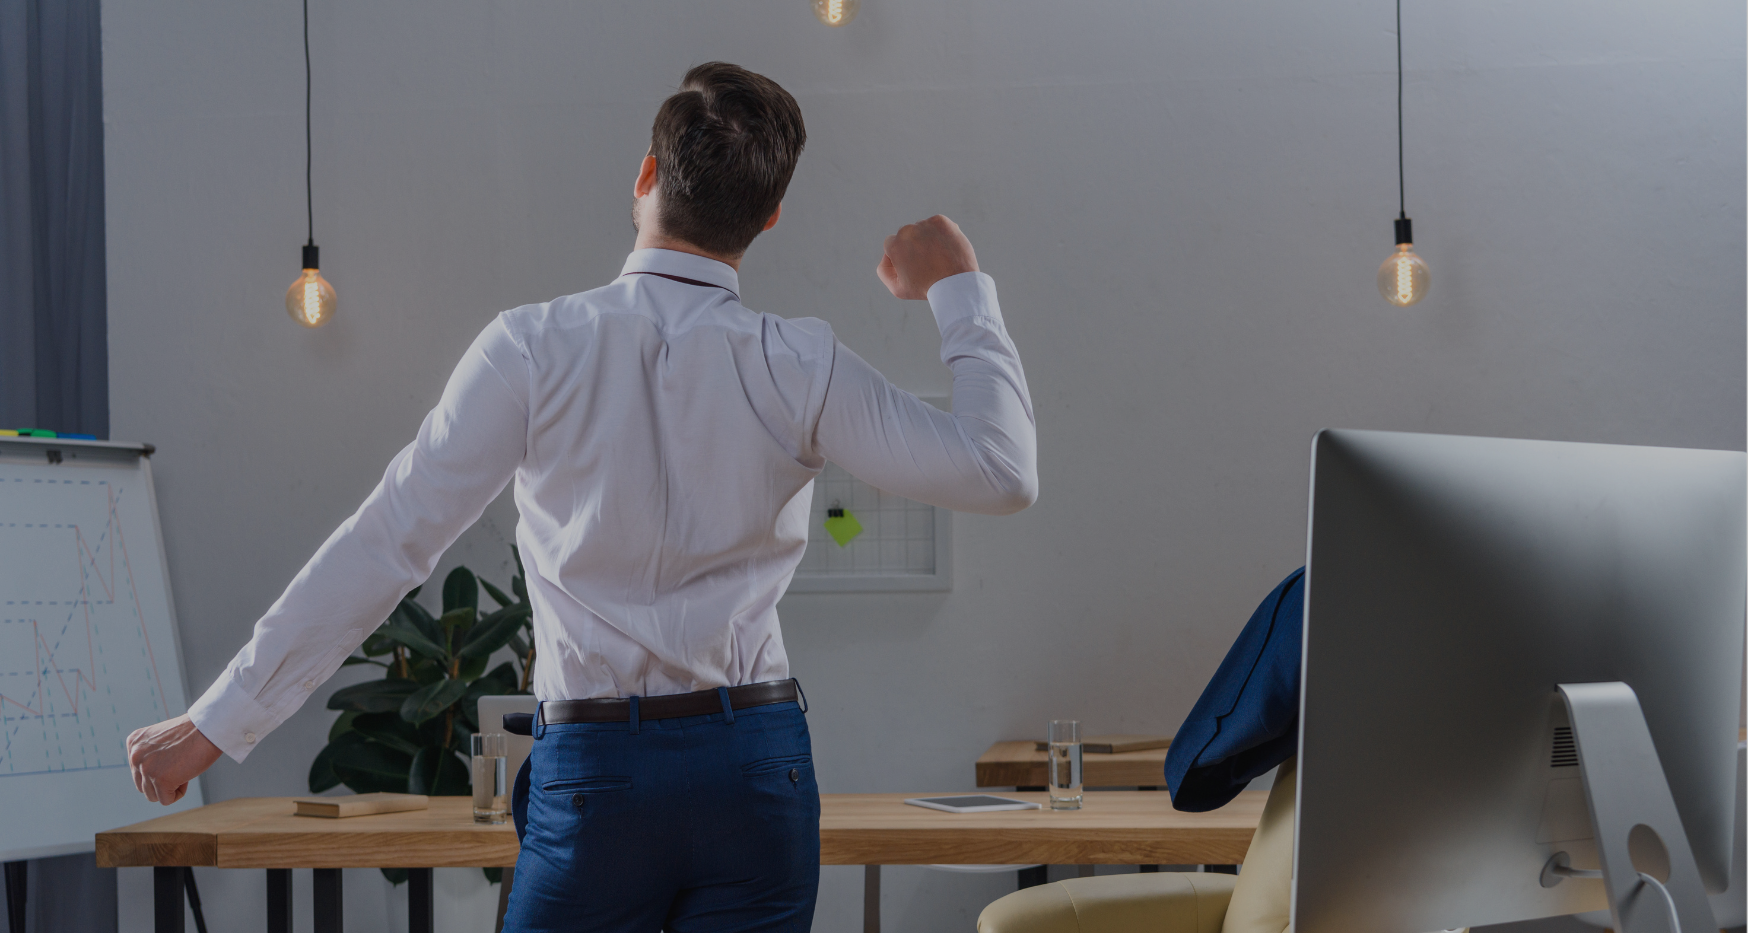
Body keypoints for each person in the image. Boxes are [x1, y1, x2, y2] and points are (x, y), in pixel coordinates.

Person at [125, 61, 1037, 932]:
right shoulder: (798, 360)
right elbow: (1002, 471)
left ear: (645, 175)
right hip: (755, 768)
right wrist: (958, 282)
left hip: (599, 773)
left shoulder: (531, 349)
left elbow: (388, 541)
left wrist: (217, 723)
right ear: (768, 217)